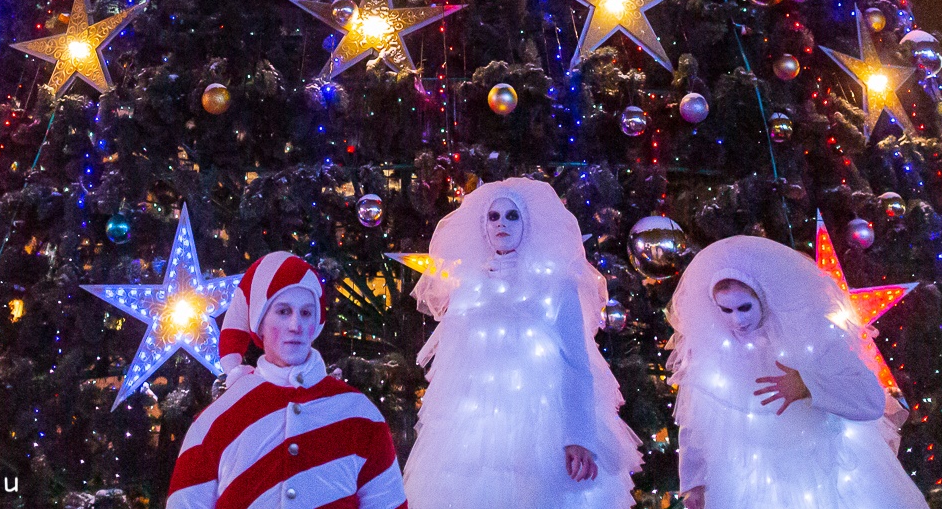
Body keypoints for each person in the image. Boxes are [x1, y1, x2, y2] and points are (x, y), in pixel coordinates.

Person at [402, 177, 641, 509]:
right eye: (494, 216)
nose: (502, 223)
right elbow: (453, 368)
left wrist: (579, 436)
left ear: (528, 223)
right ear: (482, 226)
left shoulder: (557, 286)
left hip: (544, 429)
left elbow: (576, 363)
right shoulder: (467, 288)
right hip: (478, 434)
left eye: (512, 216)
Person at [667, 234, 927, 509]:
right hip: (750, 484)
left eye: (744, 307)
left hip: (826, 474)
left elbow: (871, 401)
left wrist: (807, 386)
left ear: (762, 298)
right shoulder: (714, 353)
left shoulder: (813, 337)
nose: (737, 320)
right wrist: (693, 482)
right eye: (726, 309)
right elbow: (696, 420)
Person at [168, 251, 406, 509]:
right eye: (283, 311)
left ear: (317, 323)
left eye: (306, 313)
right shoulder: (215, 422)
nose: (296, 325)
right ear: (259, 323)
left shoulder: (360, 416)